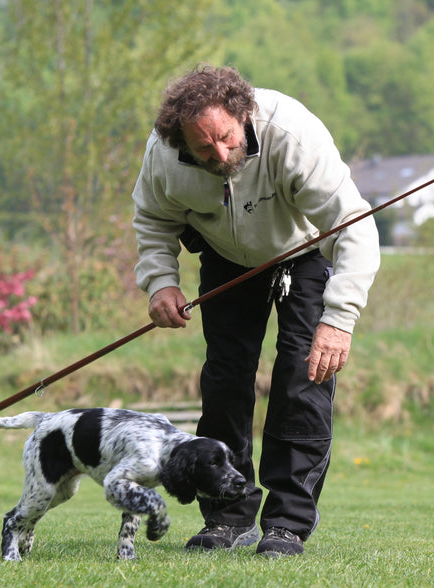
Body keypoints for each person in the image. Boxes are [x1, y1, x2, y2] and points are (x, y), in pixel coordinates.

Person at [132, 64, 380, 557]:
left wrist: (338, 320)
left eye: (225, 138)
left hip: (303, 253)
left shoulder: (292, 133)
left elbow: (354, 226)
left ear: (242, 114)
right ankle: (227, 515)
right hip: (225, 259)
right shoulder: (163, 154)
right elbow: (153, 221)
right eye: (204, 149)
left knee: (300, 378)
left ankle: (286, 524)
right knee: (224, 381)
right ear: (181, 140)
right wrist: (161, 283)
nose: (220, 155)